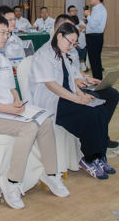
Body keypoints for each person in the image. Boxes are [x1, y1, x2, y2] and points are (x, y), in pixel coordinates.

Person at [0, 14, 69, 209]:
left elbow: (11, 88)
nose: (6, 37)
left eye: (7, 33)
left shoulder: (2, 59)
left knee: (45, 121)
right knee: (29, 128)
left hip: (7, 112)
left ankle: (51, 174)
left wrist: (16, 101)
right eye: (2, 32)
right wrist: (6, 108)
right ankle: (12, 182)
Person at [28, 22, 113, 180]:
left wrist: (82, 95)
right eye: (70, 42)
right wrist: (77, 99)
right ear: (60, 36)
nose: (72, 46)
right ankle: (89, 158)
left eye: (74, 43)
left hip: (67, 96)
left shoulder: (63, 53)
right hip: (52, 102)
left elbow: (71, 81)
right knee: (89, 114)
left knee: (100, 109)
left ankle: (100, 156)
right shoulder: (44, 54)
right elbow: (51, 85)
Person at [55, 14, 119, 148]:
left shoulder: (72, 47)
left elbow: (76, 68)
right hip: (69, 89)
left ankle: (101, 133)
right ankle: (95, 136)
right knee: (95, 99)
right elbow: (58, 78)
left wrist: (86, 78)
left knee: (112, 94)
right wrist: (74, 81)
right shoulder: (54, 49)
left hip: (81, 83)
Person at [86, 0, 107, 80]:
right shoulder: (97, 8)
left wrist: (88, 16)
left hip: (94, 37)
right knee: (95, 61)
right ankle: (97, 80)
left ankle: (97, 81)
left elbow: (93, 24)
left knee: (95, 61)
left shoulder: (99, 9)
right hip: (94, 36)